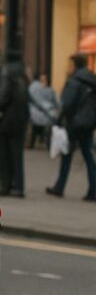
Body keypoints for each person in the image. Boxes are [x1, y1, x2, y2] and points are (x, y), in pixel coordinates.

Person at [47, 53, 96, 201]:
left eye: (69, 64)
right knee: (88, 155)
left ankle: (59, 187)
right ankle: (93, 190)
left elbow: (66, 103)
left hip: (74, 123)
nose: (68, 67)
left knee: (67, 154)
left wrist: (59, 119)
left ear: (75, 65)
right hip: (88, 122)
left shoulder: (75, 81)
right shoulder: (91, 79)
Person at [0, 53, 29, 197]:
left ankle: (4, 185)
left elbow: (1, 97)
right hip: (19, 121)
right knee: (17, 155)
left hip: (6, 121)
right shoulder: (22, 75)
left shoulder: (6, 73)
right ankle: (18, 186)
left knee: (4, 154)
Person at [28, 73, 58, 149]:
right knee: (42, 130)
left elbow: (54, 101)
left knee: (39, 130)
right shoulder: (36, 88)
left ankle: (33, 143)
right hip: (41, 113)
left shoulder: (48, 90)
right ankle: (44, 144)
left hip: (39, 114)